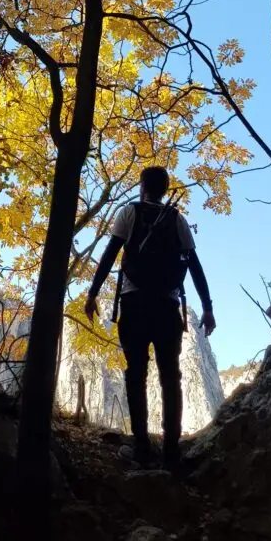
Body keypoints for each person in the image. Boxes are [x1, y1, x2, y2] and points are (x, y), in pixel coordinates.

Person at [84, 166, 215, 470]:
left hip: (134, 302)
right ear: (166, 189)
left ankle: (142, 446)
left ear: (142, 185)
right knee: (171, 376)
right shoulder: (177, 219)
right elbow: (195, 266)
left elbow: (110, 252)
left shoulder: (129, 213)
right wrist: (207, 307)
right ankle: (171, 451)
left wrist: (92, 293)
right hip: (167, 306)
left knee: (136, 372)